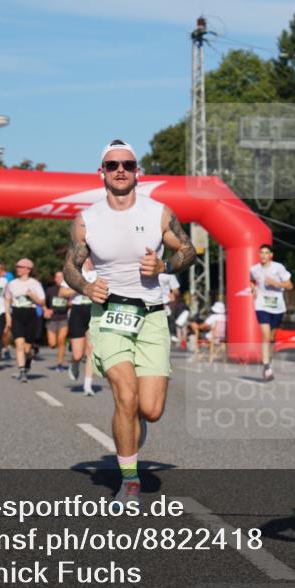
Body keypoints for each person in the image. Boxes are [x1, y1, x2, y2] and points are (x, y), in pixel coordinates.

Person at [64, 139, 196, 506]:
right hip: (109, 317)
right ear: (101, 173)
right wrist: (87, 286)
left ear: (138, 171)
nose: (120, 169)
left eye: (127, 163)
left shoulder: (158, 213)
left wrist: (165, 266)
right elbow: (71, 267)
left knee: (149, 409)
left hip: (152, 317)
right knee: (126, 393)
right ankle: (130, 481)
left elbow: (188, 250)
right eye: (112, 165)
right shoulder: (86, 219)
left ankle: (131, 427)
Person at [249, 244, 293, 381]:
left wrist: (276, 283)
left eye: (266, 252)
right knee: (266, 335)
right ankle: (266, 366)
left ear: (271, 255)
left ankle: (269, 361)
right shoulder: (254, 269)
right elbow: (251, 280)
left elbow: (290, 286)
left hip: (277, 306)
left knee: (272, 338)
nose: (263, 255)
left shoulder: (278, 268)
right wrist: (253, 288)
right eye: (261, 252)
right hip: (261, 305)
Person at [5, 258, 46, 383]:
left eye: (21, 266)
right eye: (17, 266)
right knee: (19, 345)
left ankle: (28, 359)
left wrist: (32, 296)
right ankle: (22, 371)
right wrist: (8, 316)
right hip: (17, 313)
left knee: (27, 348)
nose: (18, 268)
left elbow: (42, 302)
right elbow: (7, 300)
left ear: (28, 269)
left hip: (31, 314)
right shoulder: (12, 284)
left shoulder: (35, 284)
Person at [65, 259, 98, 395]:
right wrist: (82, 288)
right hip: (77, 310)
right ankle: (75, 363)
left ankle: (88, 385)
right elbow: (62, 292)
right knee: (78, 354)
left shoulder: (101, 271)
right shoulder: (75, 271)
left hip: (95, 310)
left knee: (91, 350)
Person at [43, 271, 70, 371]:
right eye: (58, 277)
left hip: (63, 318)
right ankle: (58, 358)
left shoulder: (68, 290)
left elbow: (72, 301)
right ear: (55, 279)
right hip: (52, 319)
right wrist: (46, 310)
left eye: (62, 277)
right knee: (52, 344)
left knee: (61, 340)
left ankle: (60, 364)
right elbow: (43, 303)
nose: (60, 279)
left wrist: (70, 304)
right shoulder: (50, 290)